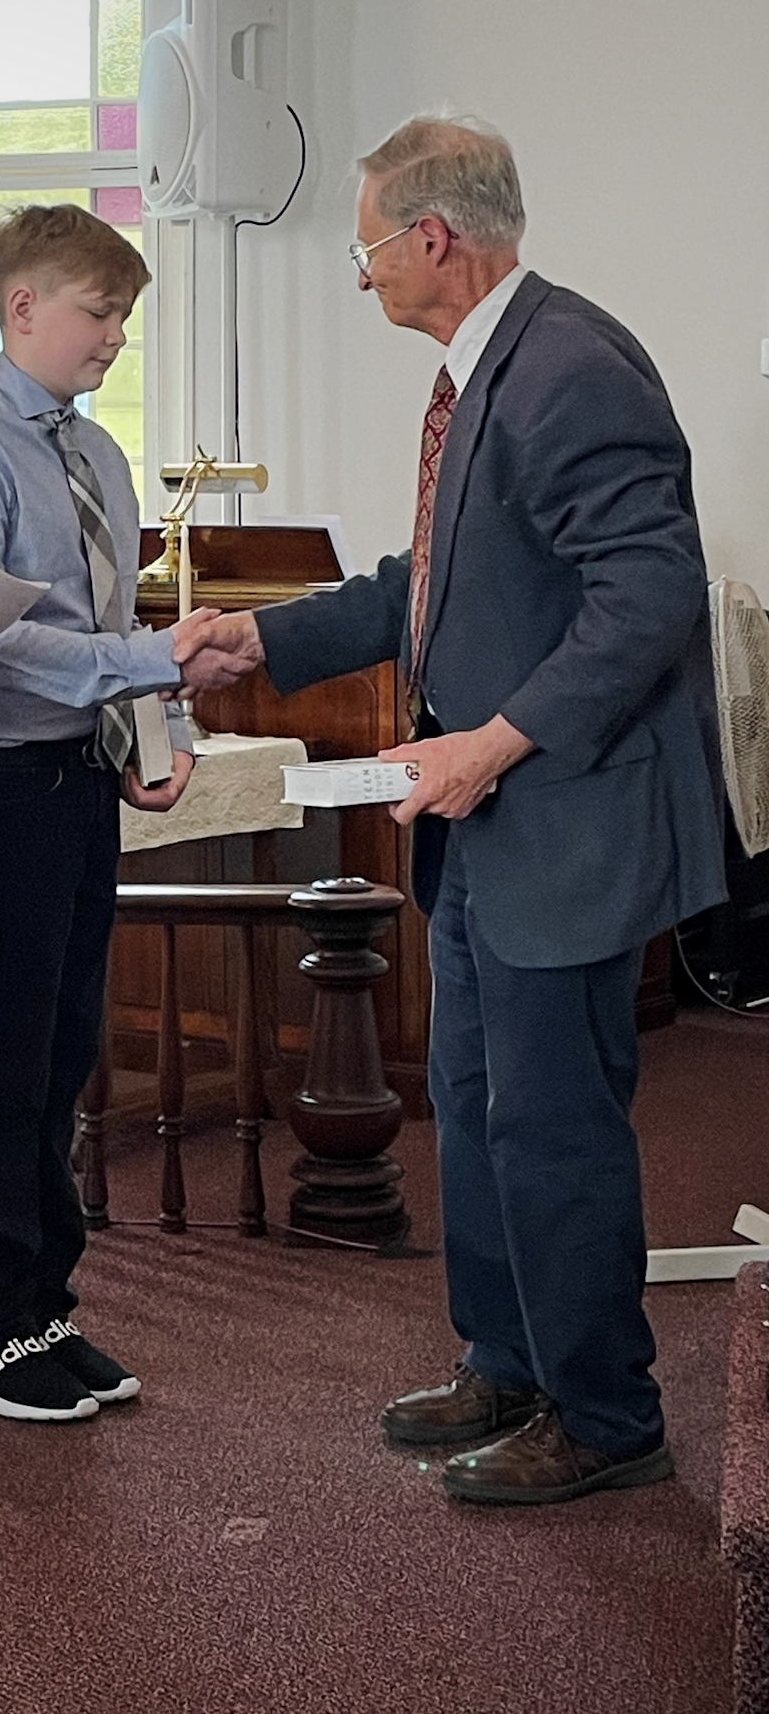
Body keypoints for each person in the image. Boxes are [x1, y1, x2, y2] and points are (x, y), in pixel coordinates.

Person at [183, 116, 725, 1503]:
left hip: (561, 815)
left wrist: (493, 740)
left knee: (554, 1123)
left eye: (369, 246)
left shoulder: (568, 368)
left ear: (435, 238)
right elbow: (426, 587)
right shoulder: (487, 371)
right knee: (479, 1109)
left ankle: (607, 1417)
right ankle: (509, 1361)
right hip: (489, 823)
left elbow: (649, 596)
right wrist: (271, 643)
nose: (362, 276)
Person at [0, 204, 225, 1422]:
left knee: (61, 1053)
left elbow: (113, 621)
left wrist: (165, 733)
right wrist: (140, 672)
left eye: (125, 319)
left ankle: (43, 1304)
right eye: (98, 313)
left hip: (80, 778)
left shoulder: (93, 455)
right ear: (22, 306)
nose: (113, 340)